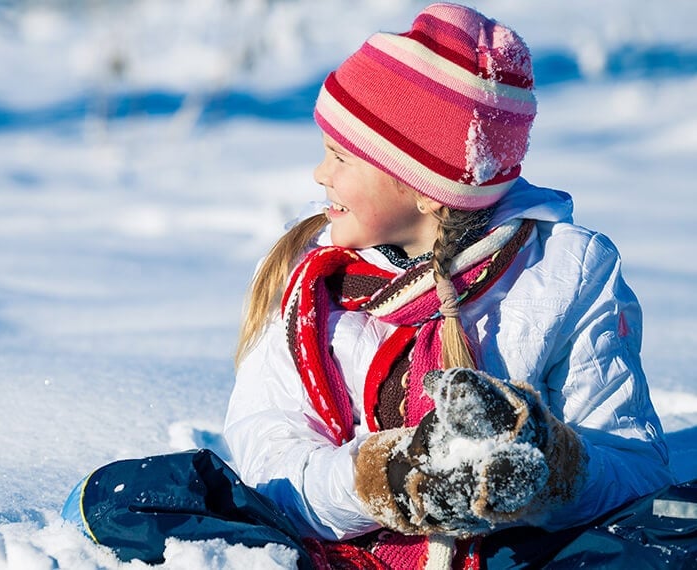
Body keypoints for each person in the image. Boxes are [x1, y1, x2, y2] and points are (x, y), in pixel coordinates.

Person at [222, 2, 673, 568]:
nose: (320, 174)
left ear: (426, 189)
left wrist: (547, 466)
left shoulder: (563, 273)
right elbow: (269, 460)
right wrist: (383, 480)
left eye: (341, 156)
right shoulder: (311, 284)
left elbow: (634, 468)